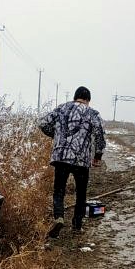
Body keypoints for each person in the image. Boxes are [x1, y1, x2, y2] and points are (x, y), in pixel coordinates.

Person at [38, 86, 106, 238]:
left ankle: (59, 217)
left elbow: (42, 123)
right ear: (88, 100)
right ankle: (77, 224)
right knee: (81, 193)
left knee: (59, 191)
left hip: (61, 157)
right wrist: (98, 155)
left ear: (75, 97)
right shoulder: (92, 113)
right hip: (81, 160)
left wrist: (56, 135)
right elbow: (100, 134)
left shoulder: (61, 108)